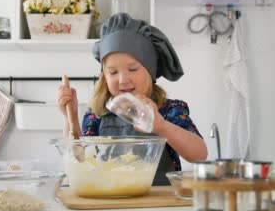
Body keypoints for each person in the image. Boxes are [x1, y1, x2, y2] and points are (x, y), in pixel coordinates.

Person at [57, 13, 208, 185]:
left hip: (159, 205)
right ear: (104, 76)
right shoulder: (97, 115)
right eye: (113, 72)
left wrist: (161, 126)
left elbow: (199, 155)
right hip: (111, 204)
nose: (123, 80)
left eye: (133, 69)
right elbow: (78, 161)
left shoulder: (168, 110)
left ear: (150, 71)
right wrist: (70, 117)